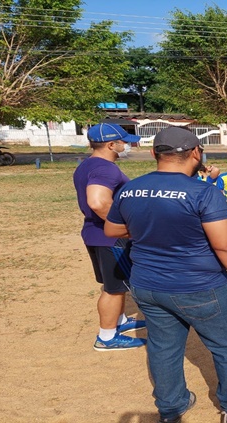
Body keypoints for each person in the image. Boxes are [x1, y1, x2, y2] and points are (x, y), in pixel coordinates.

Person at [104, 126, 227, 423]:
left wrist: (148, 230)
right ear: (196, 152)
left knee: (163, 347)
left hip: (147, 285)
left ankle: (171, 406)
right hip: (200, 285)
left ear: (155, 153)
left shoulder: (130, 188)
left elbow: (111, 229)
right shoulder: (204, 191)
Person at [73, 123, 146, 351]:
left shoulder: (87, 165)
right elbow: (97, 201)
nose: (127, 145)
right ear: (111, 145)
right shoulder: (106, 168)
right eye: (123, 141)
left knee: (114, 284)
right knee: (113, 288)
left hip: (96, 234)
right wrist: (125, 228)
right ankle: (107, 337)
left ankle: (120, 321)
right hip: (109, 238)